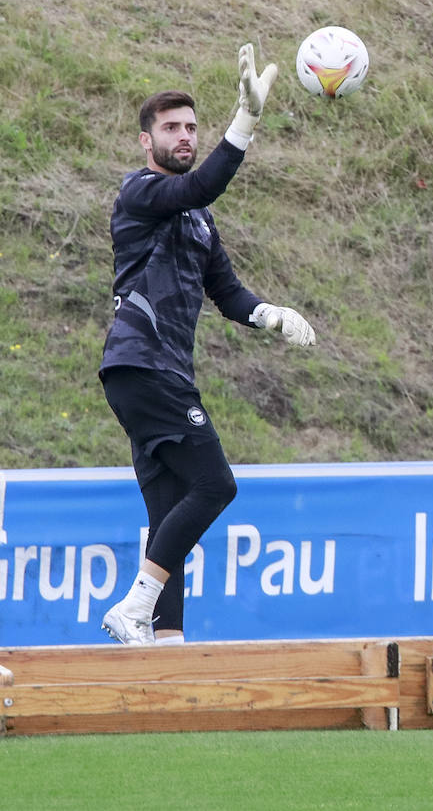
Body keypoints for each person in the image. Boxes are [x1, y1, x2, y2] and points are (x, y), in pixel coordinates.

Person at [98, 44, 317, 645]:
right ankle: (135, 607)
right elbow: (197, 188)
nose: (185, 135)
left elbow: (229, 293)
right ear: (147, 142)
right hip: (141, 366)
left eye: (192, 127)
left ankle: (166, 647)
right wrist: (244, 124)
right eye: (172, 128)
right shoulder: (141, 192)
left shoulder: (198, 221)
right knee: (217, 484)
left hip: (159, 372)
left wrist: (272, 316)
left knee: (169, 512)